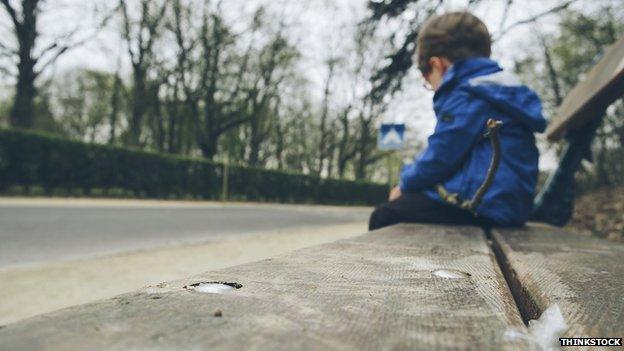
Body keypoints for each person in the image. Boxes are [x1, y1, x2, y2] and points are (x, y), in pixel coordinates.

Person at [369, 12, 546, 231]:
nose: (432, 88)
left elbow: (441, 156)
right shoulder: (499, 89)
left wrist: (404, 184)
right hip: (508, 207)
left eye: (428, 80)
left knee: (386, 215)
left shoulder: (468, 93)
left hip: (481, 206)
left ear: (437, 65)